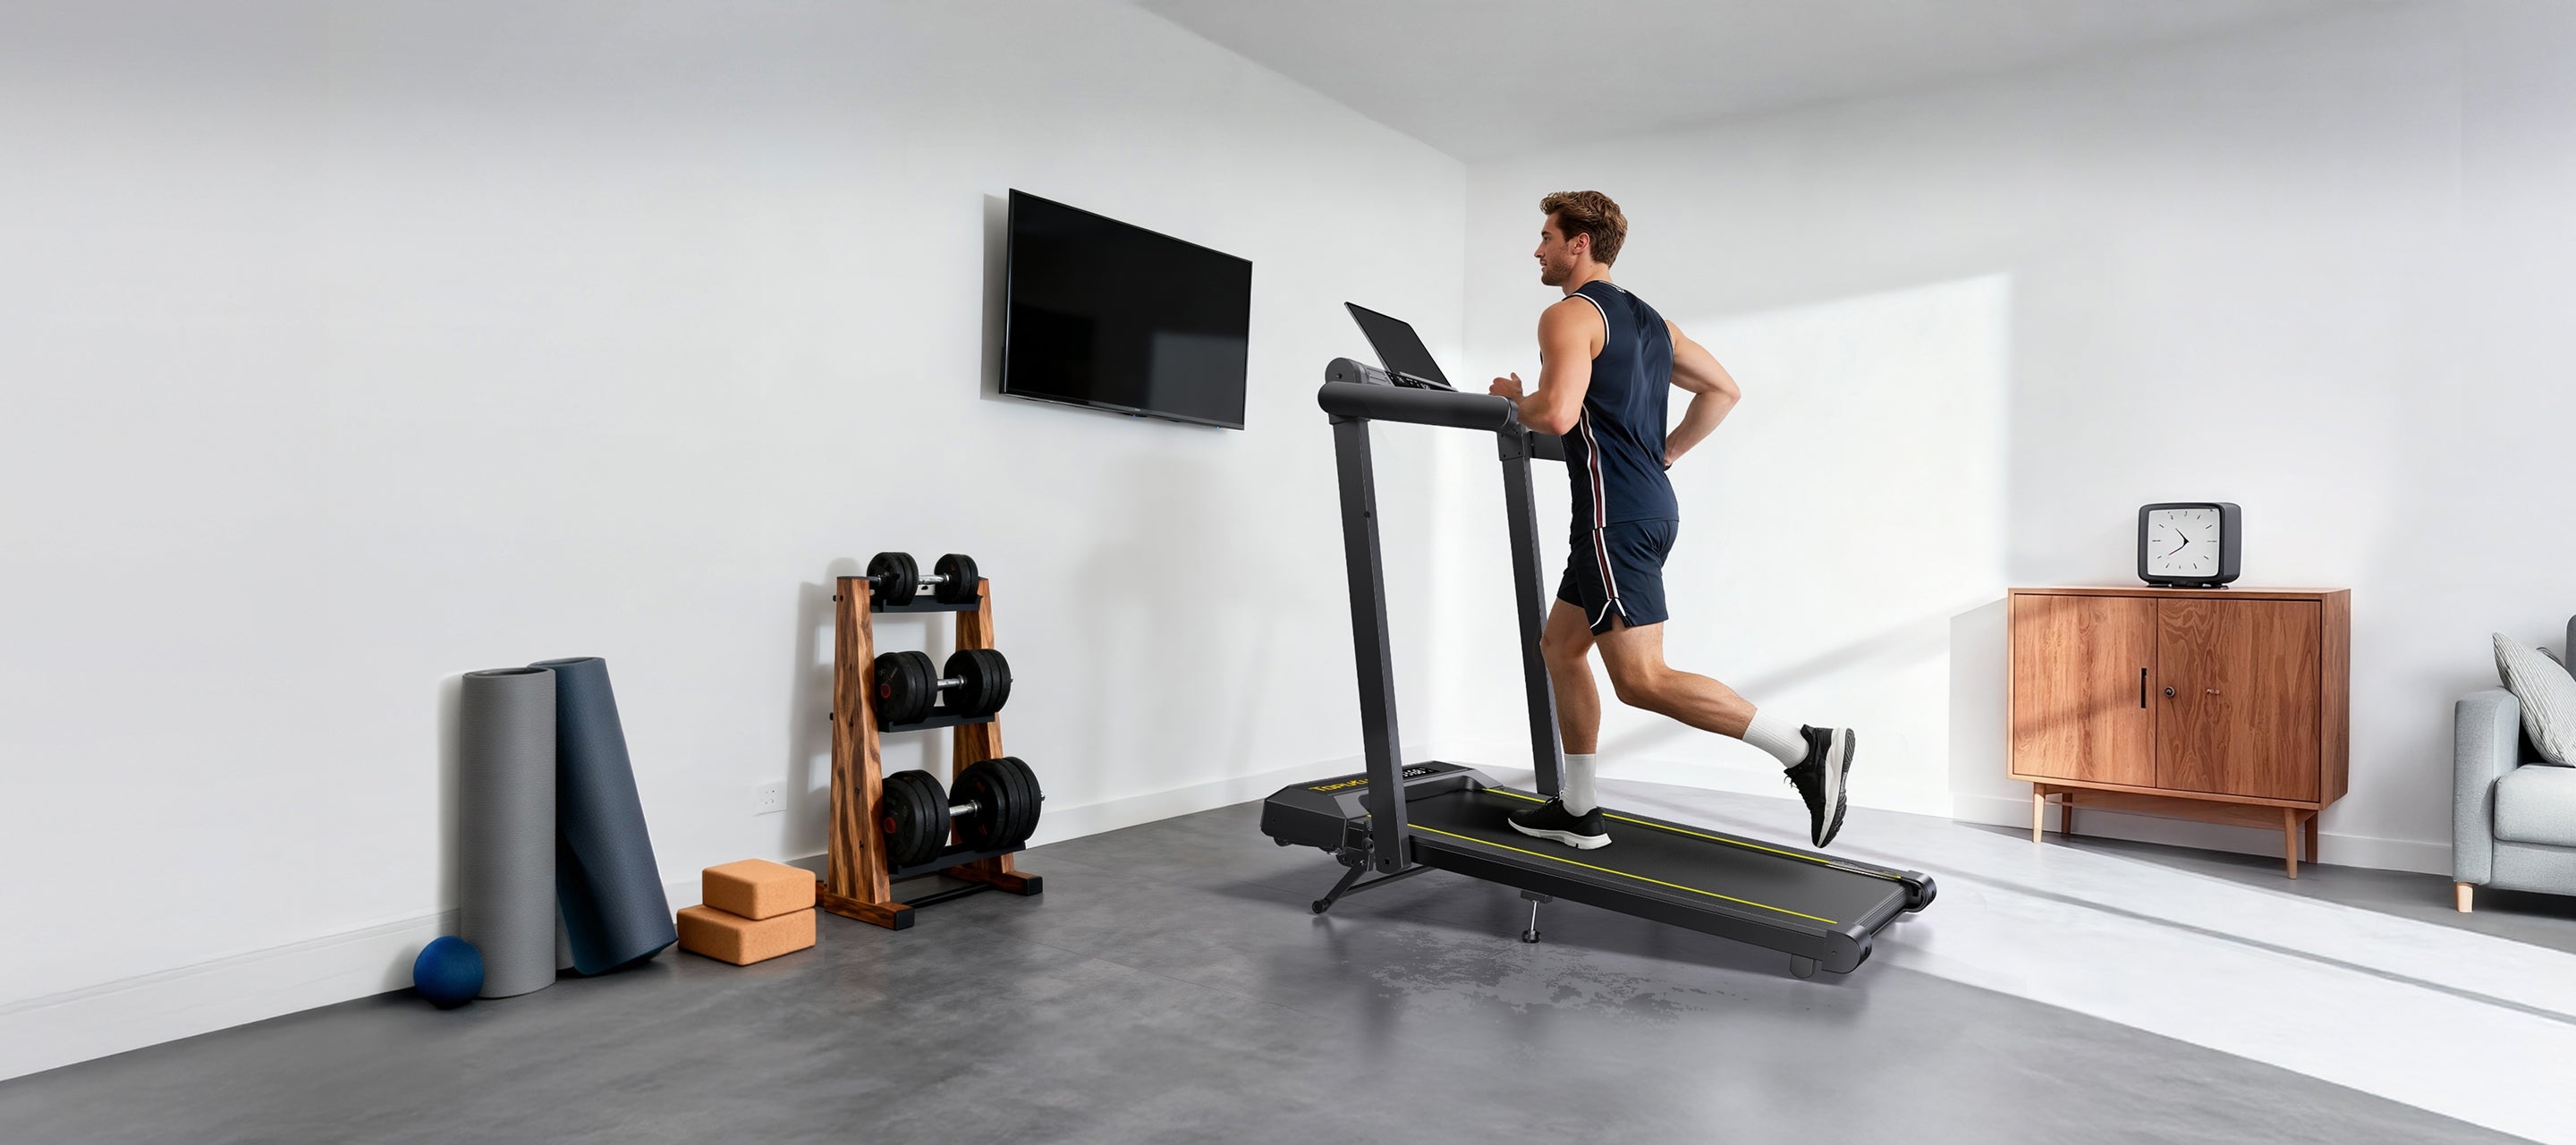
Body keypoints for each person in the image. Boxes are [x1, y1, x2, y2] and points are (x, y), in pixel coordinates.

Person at [1487, 191, 1853, 852]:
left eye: (1546, 237)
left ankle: (1803, 749)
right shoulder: (1652, 322)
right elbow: (1723, 390)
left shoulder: (1568, 314)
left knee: (1642, 680)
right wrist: (1670, 452)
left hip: (1612, 520)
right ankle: (1578, 808)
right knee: (1561, 648)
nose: (1537, 249)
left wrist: (1515, 403)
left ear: (1579, 245)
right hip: (1648, 507)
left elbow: (1561, 413)